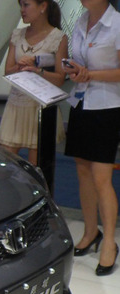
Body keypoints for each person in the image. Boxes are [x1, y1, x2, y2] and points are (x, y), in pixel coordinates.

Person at [63, 0, 120, 276]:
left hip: (107, 107)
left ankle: (109, 241)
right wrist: (73, 69)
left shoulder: (117, 23)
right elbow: (78, 61)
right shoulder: (81, 20)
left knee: (101, 177)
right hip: (80, 102)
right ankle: (90, 231)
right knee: (83, 172)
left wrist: (90, 73)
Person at [0, 0, 67, 165]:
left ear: (43, 7)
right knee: (5, 165)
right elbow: (8, 71)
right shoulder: (17, 34)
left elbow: (60, 78)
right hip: (15, 106)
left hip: (41, 109)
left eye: (26, 5)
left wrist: (38, 70)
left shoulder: (58, 37)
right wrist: (21, 66)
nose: (22, 10)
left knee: (38, 171)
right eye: (20, 5)